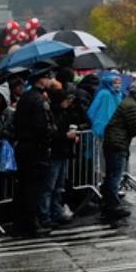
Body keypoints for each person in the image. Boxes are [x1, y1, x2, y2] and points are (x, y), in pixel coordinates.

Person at [12, 73, 58, 236]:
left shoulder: (25, 98)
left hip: (24, 147)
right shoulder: (39, 100)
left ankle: (22, 223)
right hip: (36, 149)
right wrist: (52, 131)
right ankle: (32, 223)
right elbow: (43, 127)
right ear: (41, 80)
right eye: (47, 77)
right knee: (34, 187)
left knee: (24, 186)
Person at [100, 80, 136, 225]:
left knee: (111, 174)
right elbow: (135, 127)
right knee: (114, 176)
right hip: (117, 144)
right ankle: (112, 206)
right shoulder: (132, 105)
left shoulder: (127, 101)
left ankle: (107, 203)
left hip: (113, 142)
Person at [45, 84, 88, 226]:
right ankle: (47, 214)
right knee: (50, 186)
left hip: (63, 151)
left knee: (58, 185)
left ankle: (55, 211)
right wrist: (66, 136)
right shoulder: (53, 114)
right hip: (55, 151)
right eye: (65, 99)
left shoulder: (65, 112)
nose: (67, 102)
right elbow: (52, 133)